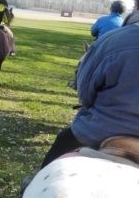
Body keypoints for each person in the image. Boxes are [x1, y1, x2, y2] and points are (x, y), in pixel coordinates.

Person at [40, 22, 139, 169]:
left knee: (62, 143)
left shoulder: (113, 40)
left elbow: (84, 94)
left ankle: (30, 185)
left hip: (101, 131)